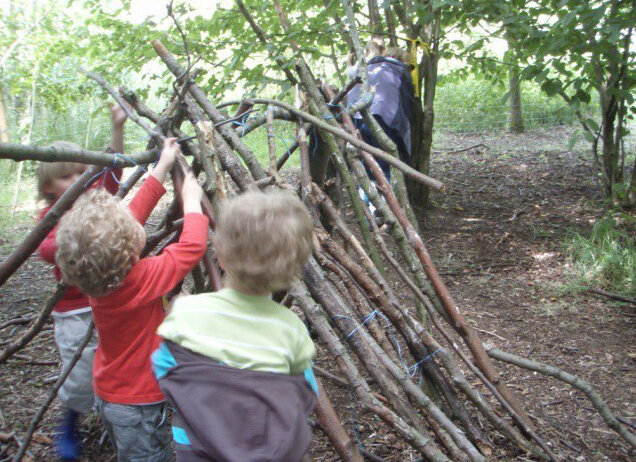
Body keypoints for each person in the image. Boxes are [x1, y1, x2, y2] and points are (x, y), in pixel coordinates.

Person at [55, 138, 209, 462]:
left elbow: (132, 213)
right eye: (130, 227)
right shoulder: (141, 279)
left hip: (110, 393)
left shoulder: (100, 277)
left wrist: (163, 164)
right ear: (128, 250)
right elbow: (192, 247)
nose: (134, 219)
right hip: (141, 405)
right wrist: (192, 201)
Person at [152, 190, 318, 462]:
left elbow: (163, 368)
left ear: (220, 254)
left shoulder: (185, 313)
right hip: (266, 449)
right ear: (292, 271)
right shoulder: (291, 330)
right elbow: (306, 391)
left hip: (197, 447)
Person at [36, 104, 126, 461]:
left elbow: (115, 174)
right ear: (47, 187)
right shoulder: (51, 216)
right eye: (64, 176)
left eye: (79, 173)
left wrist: (116, 126)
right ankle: (69, 420)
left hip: (110, 303)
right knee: (78, 373)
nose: (75, 180)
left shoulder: (94, 201)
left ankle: (112, 413)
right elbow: (45, 249)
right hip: (73, 311)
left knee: (116, 361)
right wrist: (79, 235)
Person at [347, 46, 415, 182]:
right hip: (384, 120)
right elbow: (407, 104)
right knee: (385, 167)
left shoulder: (367, 68)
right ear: (401, 60)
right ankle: (385, 201)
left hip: (356, 120)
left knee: (366, 163)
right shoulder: (399, 70)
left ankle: (368, 199)